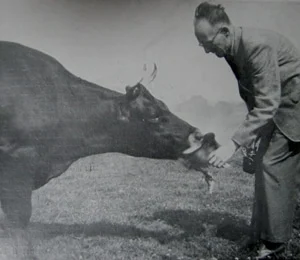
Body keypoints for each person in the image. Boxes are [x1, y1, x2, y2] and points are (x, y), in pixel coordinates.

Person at [192, 1, 300, 259]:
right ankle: (260, 235)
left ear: (225, 32)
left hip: (292, 110)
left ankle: (275, 244)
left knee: (272, 166)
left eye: (207, 43)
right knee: (263, 164)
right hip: (274, 109)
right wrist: (253, 135)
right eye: (202, 45)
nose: (206, 50)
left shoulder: (255, 45)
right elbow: (253, 94)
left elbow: (269, 102)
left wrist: (234, 144)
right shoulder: (232, 48)